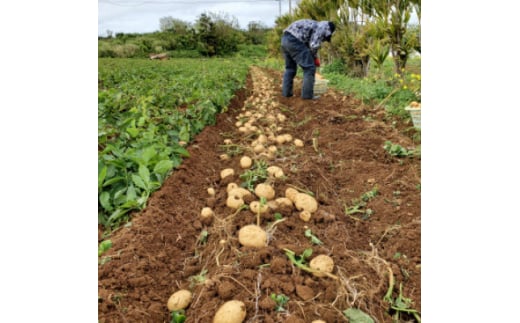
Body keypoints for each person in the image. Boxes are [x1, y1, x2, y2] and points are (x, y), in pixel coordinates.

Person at [281, 19, 336, 100]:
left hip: (285, 40)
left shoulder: (314, 25)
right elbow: (313, 45)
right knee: (309, 68)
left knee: (290, 68)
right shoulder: (322, 28)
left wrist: (312, 57)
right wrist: (314, 58)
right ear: (328, 30)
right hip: (294, 41)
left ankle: (286, 94)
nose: (324, 39)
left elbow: (307, 44)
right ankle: (307, 96)